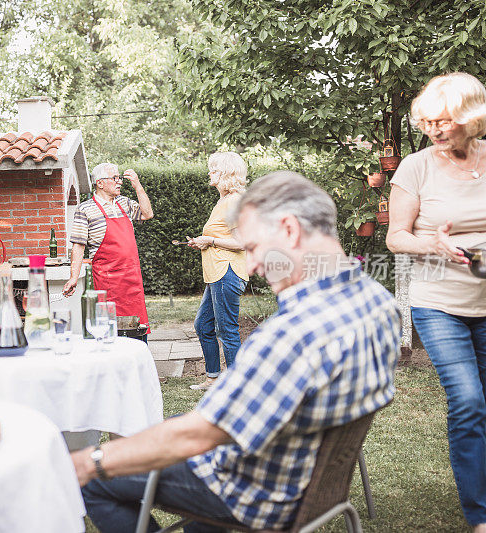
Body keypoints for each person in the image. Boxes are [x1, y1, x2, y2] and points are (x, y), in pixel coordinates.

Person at [71, 171, 401, 532]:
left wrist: (92, 459)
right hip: (310, 483)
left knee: (91, 478)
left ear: (289, 229)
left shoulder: (290, 334)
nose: (254, 265)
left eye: (255, 247)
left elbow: (197, 435)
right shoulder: (379, 304)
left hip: (255, 493)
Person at [386, 72, 486, 531]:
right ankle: (479, 515)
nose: (435, 130)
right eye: (427, 122)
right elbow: (395, 238)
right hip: (438, 300)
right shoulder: (416, 166)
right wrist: (435, 247)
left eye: (443, 121)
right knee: (467, 400)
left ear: (470, 117)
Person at [62, 164, 153, 336]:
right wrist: (74, 277)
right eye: (115, 178)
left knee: (137, 329)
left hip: (132, 278)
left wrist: (138, 186)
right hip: (107, 281)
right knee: (112, 330)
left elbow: (147, 214)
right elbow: (79, 245)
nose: (119, 182)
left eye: (119, 178)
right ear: (100, 183)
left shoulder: (124, 203)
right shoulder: (85, 209)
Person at [187, 152, 249, 390]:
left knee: (227, 330)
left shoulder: (234, 201)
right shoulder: (223, 201)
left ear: (225, 173)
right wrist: (204, 240)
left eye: (213, 170)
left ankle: (237, 386)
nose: (209, 173)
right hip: (217, 274)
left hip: (228, 272)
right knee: (203, 325)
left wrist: (210, 240)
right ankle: (213, 378)